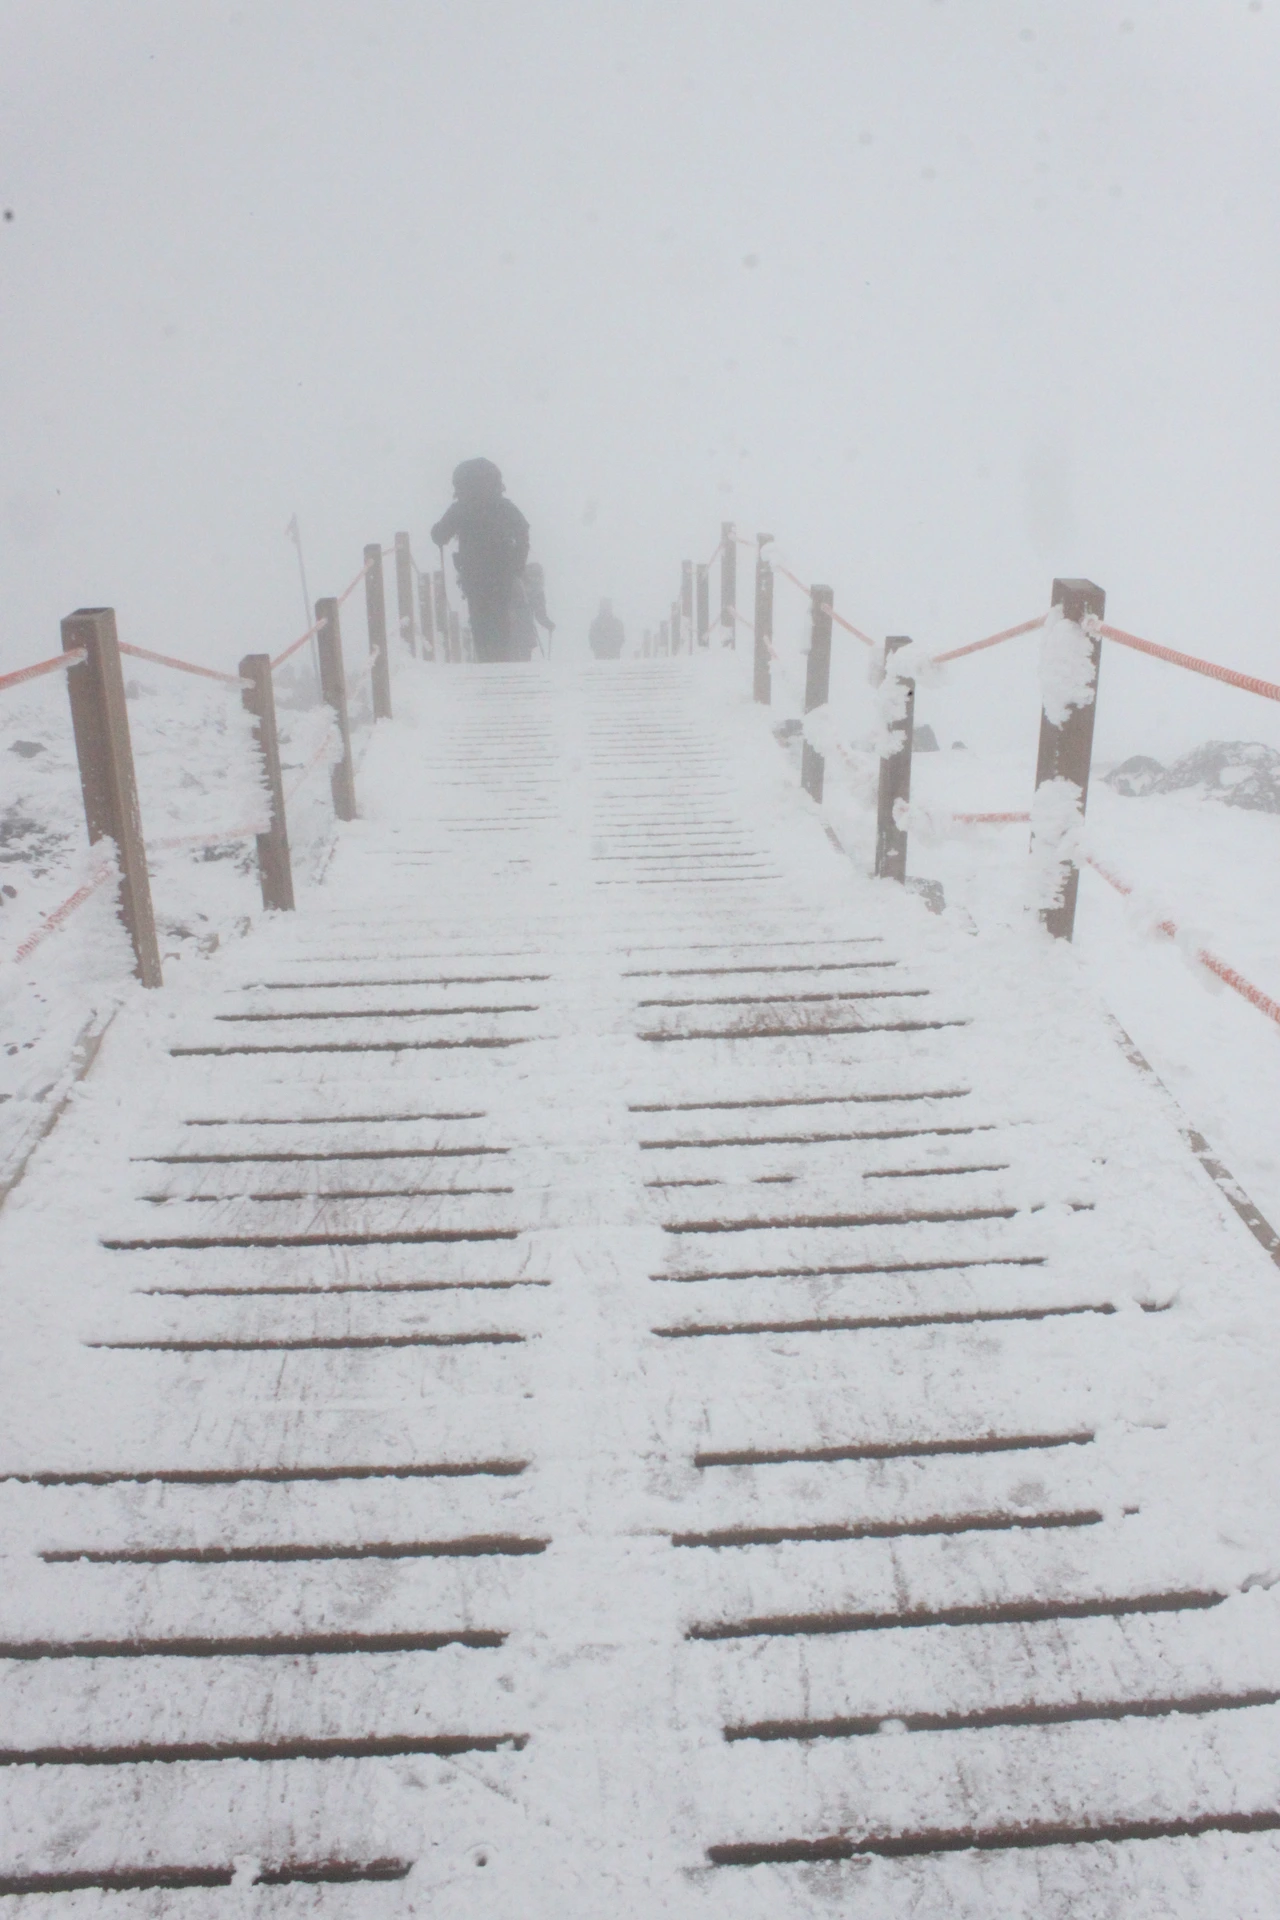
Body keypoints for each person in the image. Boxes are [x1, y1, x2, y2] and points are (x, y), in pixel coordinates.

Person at [430, 459, 530, 663]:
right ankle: (501, 657)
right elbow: (523, 531)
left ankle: (486, 659)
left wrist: (435, 532)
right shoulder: (503, 506)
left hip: (473, 572)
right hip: (502, 571)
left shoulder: (461, 508)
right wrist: (518, 564)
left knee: (478, 616)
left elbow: (440, 535)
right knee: (501, 613)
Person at [510, 561, 555, 659]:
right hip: (522, 629)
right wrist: (548, 624)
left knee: (520, 654)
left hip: (518, 628)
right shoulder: (535, 592)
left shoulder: (516, 586)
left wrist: (548, 623)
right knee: (522, 654)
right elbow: (540, 614)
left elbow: (540, 613)